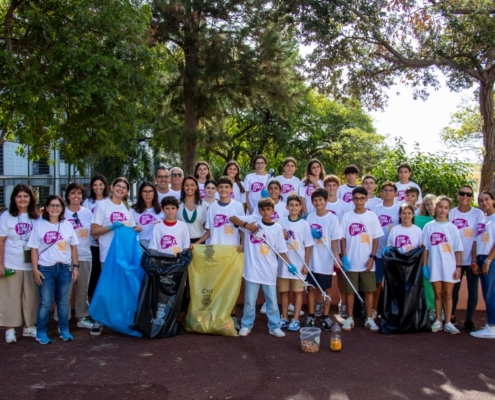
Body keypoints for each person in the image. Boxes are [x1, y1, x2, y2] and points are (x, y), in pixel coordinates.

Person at [229, 198, 294, 338]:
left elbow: (281, 250)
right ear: (259, 210)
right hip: (252, 270)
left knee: (272, 301)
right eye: (262, 209)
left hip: (269, 270)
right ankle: (246, 325)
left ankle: (274, 326)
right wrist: (246, 225)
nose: (265, 212)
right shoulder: (252, 221)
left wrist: (290, 265)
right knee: (249, 300)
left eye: (268, 209)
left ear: (273, 211)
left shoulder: (277, 228)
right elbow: (232, 218)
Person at [90, 177, 140, 336]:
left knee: (121, 288)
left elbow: (130, 230)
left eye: (124, 188)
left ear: (127, 192)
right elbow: (94, 231)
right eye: (118, 186)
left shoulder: (127, 208)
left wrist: (136, 228)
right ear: (112, 187)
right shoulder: (103, 205)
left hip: (122, 256)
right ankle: (98, 320)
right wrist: (111, 227)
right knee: (106, 288)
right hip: (108, 255)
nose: (120, 189)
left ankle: (118, 319)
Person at [28, 195, 79, 344]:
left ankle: (64, 330)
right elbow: (33, 249)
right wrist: (35, 270)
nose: (55, 208)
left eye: (58, 205)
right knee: (45, 302)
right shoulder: (39, 225)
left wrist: (75, 267)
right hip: (46, 269)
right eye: (52, 205)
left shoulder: (67, 225)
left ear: (62, 208)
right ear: (47, 208)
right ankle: (41, 331)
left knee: (63, 302)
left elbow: (74, 247)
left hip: (64, 268)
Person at [196, 176, 245, 329]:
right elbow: (209, 232)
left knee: (232, 286)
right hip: (215, 253)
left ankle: (232, 317)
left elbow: (242, 229)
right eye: (221, 187)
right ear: (217, 189)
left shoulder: (238, 206)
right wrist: (195, 244)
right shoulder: (212, 207)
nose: (223, 190)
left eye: (226, 187)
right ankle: (215, 316)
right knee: (215, 285)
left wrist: (243, 244)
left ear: (231, 189)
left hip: (233, 252)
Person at [0, 184, 39, 343]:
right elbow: (1, 241)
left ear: (31, 198)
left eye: (26, 196)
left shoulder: (36, 217)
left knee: (31, 296)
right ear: (14, 199)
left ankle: (29, 327)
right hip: (11, 263)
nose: (22, 199)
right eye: (19, 196)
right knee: (10, 297)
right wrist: (0, 264)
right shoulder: (6, 216)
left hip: (31, 265)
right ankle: (10, 329)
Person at [341, 187, 384, 332]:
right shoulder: (347, 216)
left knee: (369, 290)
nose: (358, 201)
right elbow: (342, 238)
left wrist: (372, 257)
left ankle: (369, 319)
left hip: (367, 261)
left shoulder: (371, 216)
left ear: (366, 199)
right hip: (351, 261)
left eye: (361, 198)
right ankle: (350, 318)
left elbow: (376, 238)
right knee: (350, 291)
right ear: (352, 200)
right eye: (356, 198)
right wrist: (344, 256)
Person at [422, 195, 463, 334]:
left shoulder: (453, 228)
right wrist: (424, 266)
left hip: (450, 266)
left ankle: (448, 322)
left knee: (448, 294)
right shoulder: (429, 227)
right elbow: (425, 248)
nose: (442, 210)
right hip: (434, 266)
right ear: (435, 207)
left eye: (446, 208)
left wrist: (458, 267)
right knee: (438, 294)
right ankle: (438, 321)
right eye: (440, 207)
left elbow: (458, 250)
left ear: (448, 209)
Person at [304, 188, 342, 331]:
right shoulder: (309, 218)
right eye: (315, 200)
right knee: (311, 288)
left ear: (326, 201)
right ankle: (311, 315)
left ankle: (325, 317)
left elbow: (334, 239)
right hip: (312, 260)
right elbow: (306, 239)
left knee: (326, 289)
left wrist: (336, 257)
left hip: (326, 260)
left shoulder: (332, 218)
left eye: (321, 200)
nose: (318, 202)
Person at [449, 185, 483, 331]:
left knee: (473, 289)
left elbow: (478, 237)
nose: (465, 197)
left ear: (472, 197)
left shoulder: (478, 213)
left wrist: (474, 259)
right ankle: (451, 316)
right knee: (453, 290)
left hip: (471, 259)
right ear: (458, 195)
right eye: (462, 193)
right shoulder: (451, 213)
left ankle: (469, 319)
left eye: (468, 195)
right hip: (454, 260)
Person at [278, 195, 314, 331]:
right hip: (283, 265)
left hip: (298, 265)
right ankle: (285, 317)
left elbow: (308, 246)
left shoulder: (305, 224)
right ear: (287, 207)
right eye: (291, 205)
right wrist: (282, 234)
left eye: (296, 205)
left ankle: (296, 319)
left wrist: (306, 264)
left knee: (298, 292)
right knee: (284, 292)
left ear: (300, 207)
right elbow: (275, 240)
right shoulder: (281, 222)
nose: (293, 208)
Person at [64, 183, 94, 330]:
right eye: (73, 193)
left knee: (83, 289)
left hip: (84, 255)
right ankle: (63, 318)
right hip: (64, 257)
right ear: (68, 196)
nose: (76, 196)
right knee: (65, 290)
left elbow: (93, 232)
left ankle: (82, 316)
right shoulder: (62, 213)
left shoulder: (87, 213)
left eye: (79, 193)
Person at [324, 174, 352, 318]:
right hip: (323, 248)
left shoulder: (345, 206)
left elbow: (345, 229)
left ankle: (343, 302)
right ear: (325, 187)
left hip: (339, 248)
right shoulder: (321, 203)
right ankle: (321, 303)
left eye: (334, 185)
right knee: (323, 276)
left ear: (337, 187)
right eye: (329, 185)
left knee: (341, 277)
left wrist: (344, 251)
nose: (331, 188)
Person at [372, 181, 401, 318]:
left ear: (395, 193)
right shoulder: (375, 209)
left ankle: (392, 311)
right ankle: (374, 310)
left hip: (394, 253)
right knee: (377, 282)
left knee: (393, 283)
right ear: (381, 193)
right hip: (378, 252)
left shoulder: (400, 209)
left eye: (391, 190)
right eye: (385, 190)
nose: (388, 192)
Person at [470, 191, 495, 338]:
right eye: (481, 201)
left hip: (490, 258)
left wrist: (488, 260)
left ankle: (492, 326)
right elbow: (475, 240)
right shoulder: (482, 219)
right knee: (487, 292)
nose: (484, 203)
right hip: (480, 257)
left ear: (493, 200)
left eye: (487, 199)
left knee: (491, 292)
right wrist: (474, 260)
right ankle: (491, 324)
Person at [82, 173, 109, 299]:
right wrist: (96, 237)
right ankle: (91, 300)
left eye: (100, 184)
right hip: (93, 244)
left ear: (105, 186)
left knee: (105, 275)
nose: (98, 187)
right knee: (94, 274)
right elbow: (87, 223)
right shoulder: (88, 202)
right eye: (95, 185)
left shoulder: (109, 201)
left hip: (107, 244)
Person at [177, 176, 209, 243]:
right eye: (186, 185)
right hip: (180, 241)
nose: (189, 188)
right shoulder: (177, 204)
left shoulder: (203, 205)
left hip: (199, 242)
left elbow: (209, 229)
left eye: (192, 185)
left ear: (196, 187)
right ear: (183, 187)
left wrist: (197, 243)